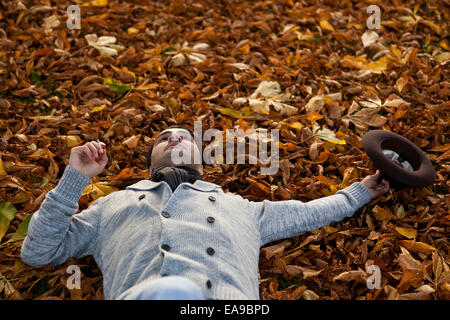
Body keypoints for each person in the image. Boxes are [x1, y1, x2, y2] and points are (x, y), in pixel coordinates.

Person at [20, 126, 390, 300]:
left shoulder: (240, 208)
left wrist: (361, 191)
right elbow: (38, 251)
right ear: (151, 162)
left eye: (185, 136)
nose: (175, 139)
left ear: (201, 160)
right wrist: (74, 180)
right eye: (164, 138)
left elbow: (309, 212)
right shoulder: (111, 206)